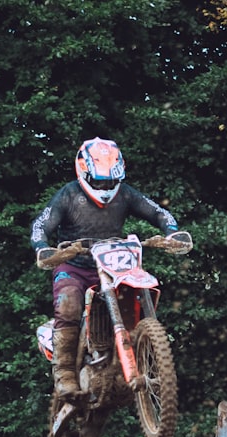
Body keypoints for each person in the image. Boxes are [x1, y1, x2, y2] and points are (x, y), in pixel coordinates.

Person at [30, 137, 184, 397]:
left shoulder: (124, 194)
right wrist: (43, 248)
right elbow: (40, 225)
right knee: (68, 304)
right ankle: (65, 375)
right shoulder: (68, 195)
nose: (106, 186)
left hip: (114, 267)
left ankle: (140, 352)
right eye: (100, 181)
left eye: (111, 181)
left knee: (136, 292)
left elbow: (158, 211)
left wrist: (172, 232)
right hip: (74, 266)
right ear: (84, 172)